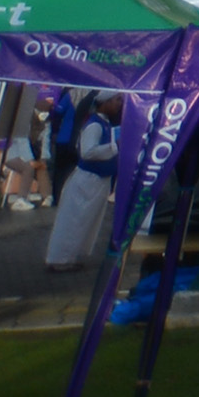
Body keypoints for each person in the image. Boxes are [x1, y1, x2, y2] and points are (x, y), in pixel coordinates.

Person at [42, 95, 121, 271]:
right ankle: (59, 259)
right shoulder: (94, 125)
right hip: (87, 180)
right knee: (74, 219)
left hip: (99, 180)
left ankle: (70, 256)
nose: (119, 104)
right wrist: (115, 147)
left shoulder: (105, 124)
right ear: (105, 102)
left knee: (85, 221)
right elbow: (87, 152)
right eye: (116, 100)